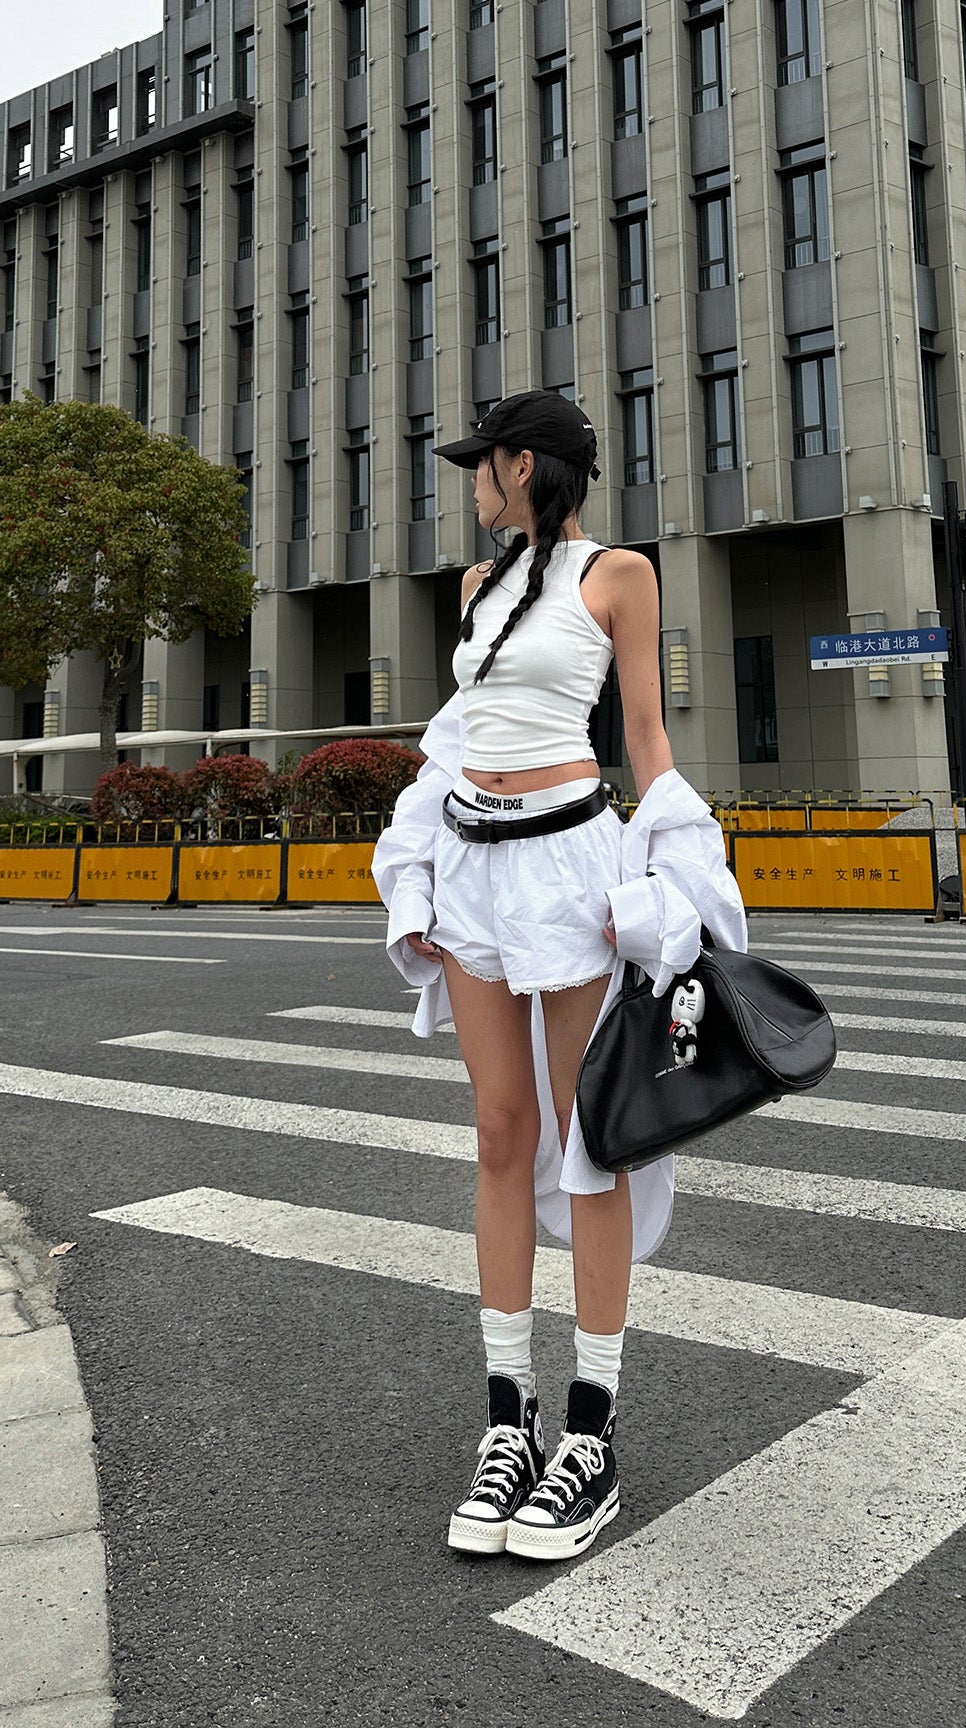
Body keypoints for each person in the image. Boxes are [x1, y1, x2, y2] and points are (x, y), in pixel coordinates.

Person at [371, 390, 747, 1563]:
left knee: (589, 1141)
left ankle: (590, 1429)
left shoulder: (619, 575)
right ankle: (506, 1419)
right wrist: (419, 874)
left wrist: (678, 871)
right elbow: (461, 735)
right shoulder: (476, 591)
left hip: (570, 875)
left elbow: (643, 734)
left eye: (480, 465)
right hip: (477, 873)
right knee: (497, 1133)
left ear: (522, 465)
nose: (471, 483)